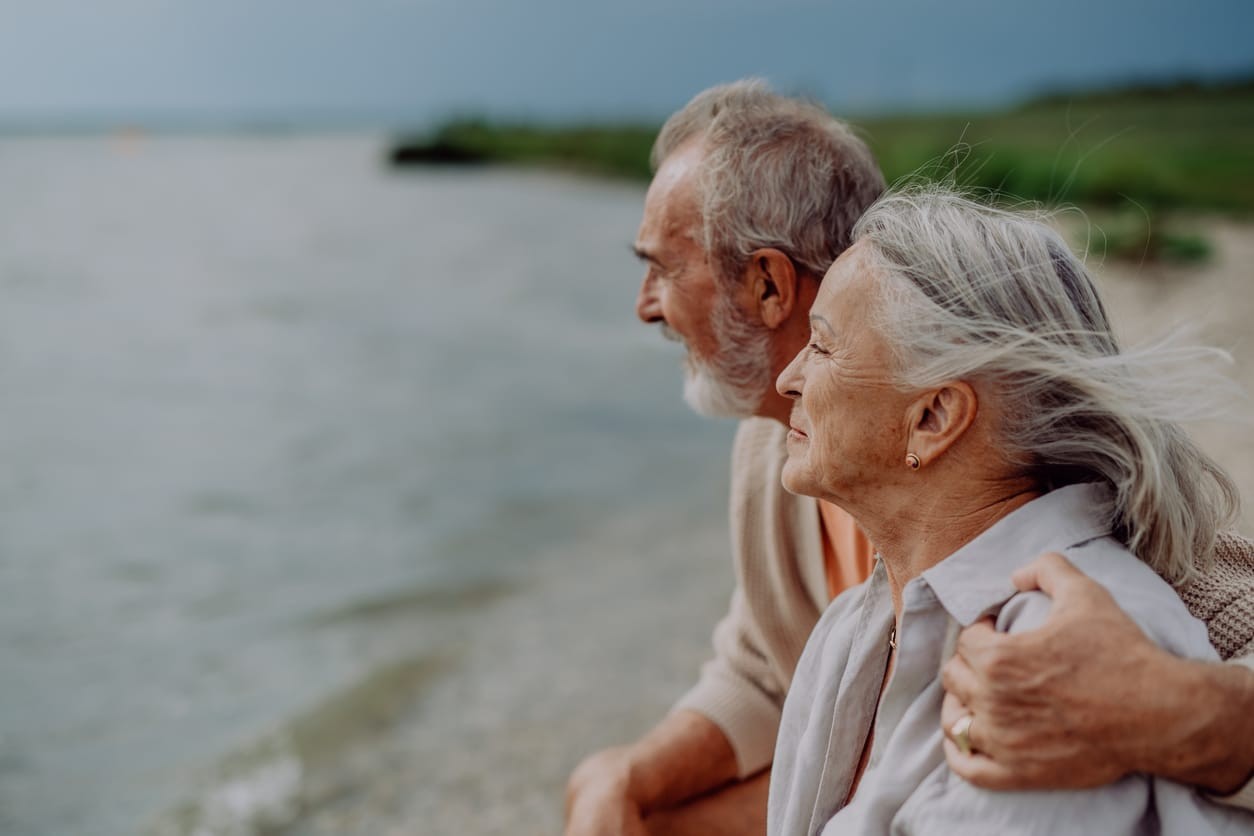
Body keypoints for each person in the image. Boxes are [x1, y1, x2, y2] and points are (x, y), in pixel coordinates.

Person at [563, 80, 1254, 836]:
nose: (645, 304)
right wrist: (624, 776)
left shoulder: (1081, 591)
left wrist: (1184, 711)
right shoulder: (782, 463)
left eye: (662, 266)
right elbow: (761, 665)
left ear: (767, 282)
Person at [768, 186, 1253, 834]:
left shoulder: (1053, 653)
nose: (787, 379)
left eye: (822, 347)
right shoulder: (852, 625)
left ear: (933, 418)